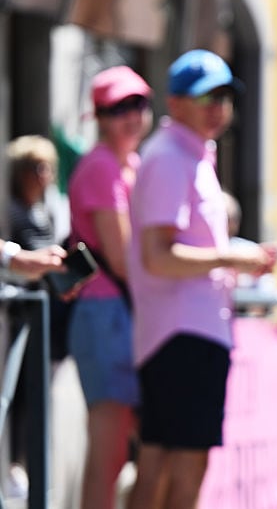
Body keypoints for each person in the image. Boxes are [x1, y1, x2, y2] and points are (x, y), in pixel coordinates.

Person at [126, 49, 277, 509]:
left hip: (184, 332)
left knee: (167, 461)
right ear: (175, 103)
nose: (218, 105)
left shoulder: (187, 155)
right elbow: (158, 256)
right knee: (179, 465)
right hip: (182, 334)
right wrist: (231, 258)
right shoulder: (171, 157)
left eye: (225, 95)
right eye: (206, 95)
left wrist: (233, 260)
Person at [66, 65, 153, 509]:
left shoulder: (129, 163)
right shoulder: (100, 165)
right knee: (109, 451)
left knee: (129, 449)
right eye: (120, 107)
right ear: (98, 115)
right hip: (105, 314)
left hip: (122, 313)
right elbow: (121, 256)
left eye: (139, 103)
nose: (132, 115)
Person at [5, 134, 66, 497]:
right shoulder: (10, 212)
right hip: (16, 318)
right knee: (20, 396)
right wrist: (18, 263)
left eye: (46, 167)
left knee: (39, 394)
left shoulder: (47, 210)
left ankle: (27, 466)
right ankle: (15, 465)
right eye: (33, 167)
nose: (41, 175)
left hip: (45, 316)